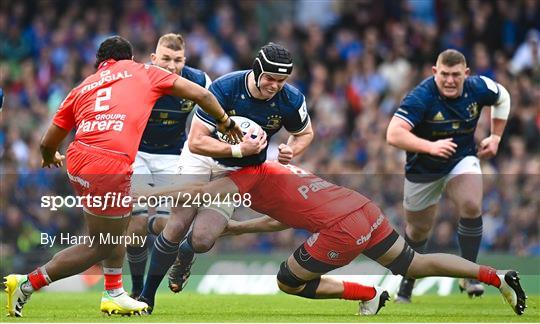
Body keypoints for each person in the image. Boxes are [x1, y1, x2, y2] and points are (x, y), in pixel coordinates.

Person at [3, 35, 242, 318]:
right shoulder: (143, 71)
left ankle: (113, 293)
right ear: (130, 58)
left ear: (101, 62)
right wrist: (226, 122)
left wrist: (49, 157)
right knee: (101, 245)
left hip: (79, 161)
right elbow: (202, 95)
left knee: (117, 228)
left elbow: (47, 142)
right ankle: (27, 284)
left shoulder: (83, 86)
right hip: (109, 164)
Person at [141, 161, 527, 316]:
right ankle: (497, 275)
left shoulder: (244, 175)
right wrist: (239, 228)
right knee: (414, 264)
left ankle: (368, 296)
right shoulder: (280, 167)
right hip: (362, 208)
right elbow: (282, 219)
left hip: (342, 228)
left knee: (287, 281)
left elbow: (192, 193)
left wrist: (144, 196)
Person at [139, 42, 314, 312]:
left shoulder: (291, 99)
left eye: (281, 80)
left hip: (237, 171)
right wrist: (237, 148)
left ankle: (186, 255)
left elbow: (304, 133)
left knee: (203, 240)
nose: (275, 85)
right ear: (256, 71)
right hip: (200, 159)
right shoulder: (225, 88)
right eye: (269, 78)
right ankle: (146, 298)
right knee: (177, 223)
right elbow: (197, 142)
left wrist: (292, 148)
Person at [386, 49, 511, 302]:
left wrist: (496, 137)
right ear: (435, 72)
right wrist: (430, 147)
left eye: (456, 75)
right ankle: (406, 286)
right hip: (423, 169)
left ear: (466, 74)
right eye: (444, 74)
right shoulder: (421, 96)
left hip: (460, 158)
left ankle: (469, 274)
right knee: (419, 230)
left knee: (472, 204)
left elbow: (503, 97)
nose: (450, 80)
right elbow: (393, 134)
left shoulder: (479, 88)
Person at [126, 33, 212, 298]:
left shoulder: (199, 81)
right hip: (138, 152)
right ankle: (137, 289)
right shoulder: (137, 79)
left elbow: (210, 116)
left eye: (177, 60)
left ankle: (170, 261)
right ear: (154, 58)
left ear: (184, 60)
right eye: (165, 59)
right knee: (137, 222)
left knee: (166, 226)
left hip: (174, 156)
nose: (172, 66)